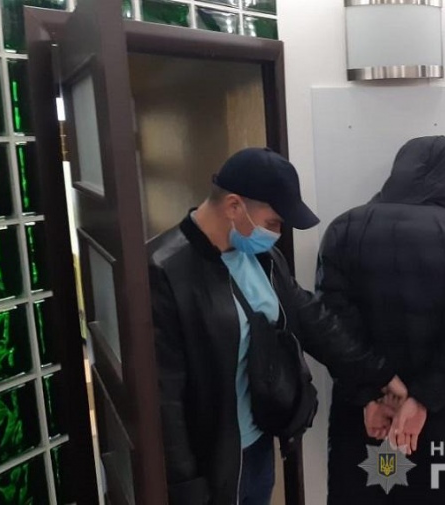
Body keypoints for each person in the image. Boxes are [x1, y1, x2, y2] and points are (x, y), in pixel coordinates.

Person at [147, 147, 408, 505]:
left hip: (258, 448)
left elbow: (312, 318)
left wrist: (379, 373)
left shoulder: (263, 258)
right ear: (234, 206)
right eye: (273, 222)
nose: (277, 233)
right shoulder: (164, 271)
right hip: (211, 464)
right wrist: (185, 488)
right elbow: (165, 397)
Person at [318, 136, 445, 505]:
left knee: (371, 495)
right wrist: (423, 399)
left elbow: (332, 327)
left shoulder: (342, 230)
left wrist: (371, 394)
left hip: (369, 418)